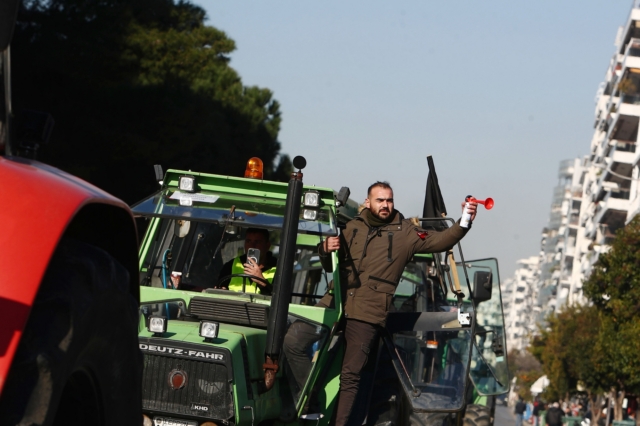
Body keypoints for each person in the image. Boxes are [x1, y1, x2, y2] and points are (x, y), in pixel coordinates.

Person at [318, 181, 478, 426]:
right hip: (335, 303)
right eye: (380, 200)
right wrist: (324, 248)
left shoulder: (405, 233)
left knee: (351, 376)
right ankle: (295, 400)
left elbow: (442, 240)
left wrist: (465, 219)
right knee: (295, 338)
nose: (385, 205)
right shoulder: (351, 227)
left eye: (389, 200)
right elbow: (329, 264)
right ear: (368, 201)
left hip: (366, 314)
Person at [216, 227, 277, 295]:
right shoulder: (230, 265)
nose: (252, 246)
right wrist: (221, 291)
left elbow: (282, 299)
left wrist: (262, 282)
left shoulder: (280, 269)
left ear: (267, 245)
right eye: (248, 241)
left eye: (257, 242)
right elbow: (219, 291)